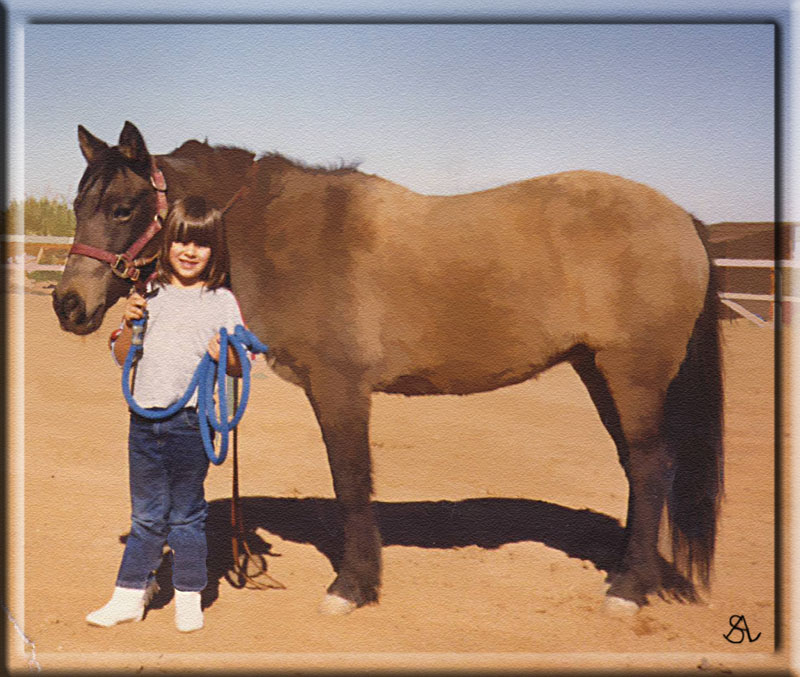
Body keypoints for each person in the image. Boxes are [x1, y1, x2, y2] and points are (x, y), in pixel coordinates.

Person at [86, 196, 244, 632]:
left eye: (202, 244)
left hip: (191, 422)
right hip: (144, 423)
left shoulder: (221, 301)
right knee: (146, 515)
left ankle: (189, 595)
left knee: (187, 515)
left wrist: (225, 354)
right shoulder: (147, 294)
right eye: (182, 242)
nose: (190, 252)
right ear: (167, 243)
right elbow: (122, 356)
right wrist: (131, 325)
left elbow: (239, 363)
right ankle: (129, 596)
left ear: (215, 250)